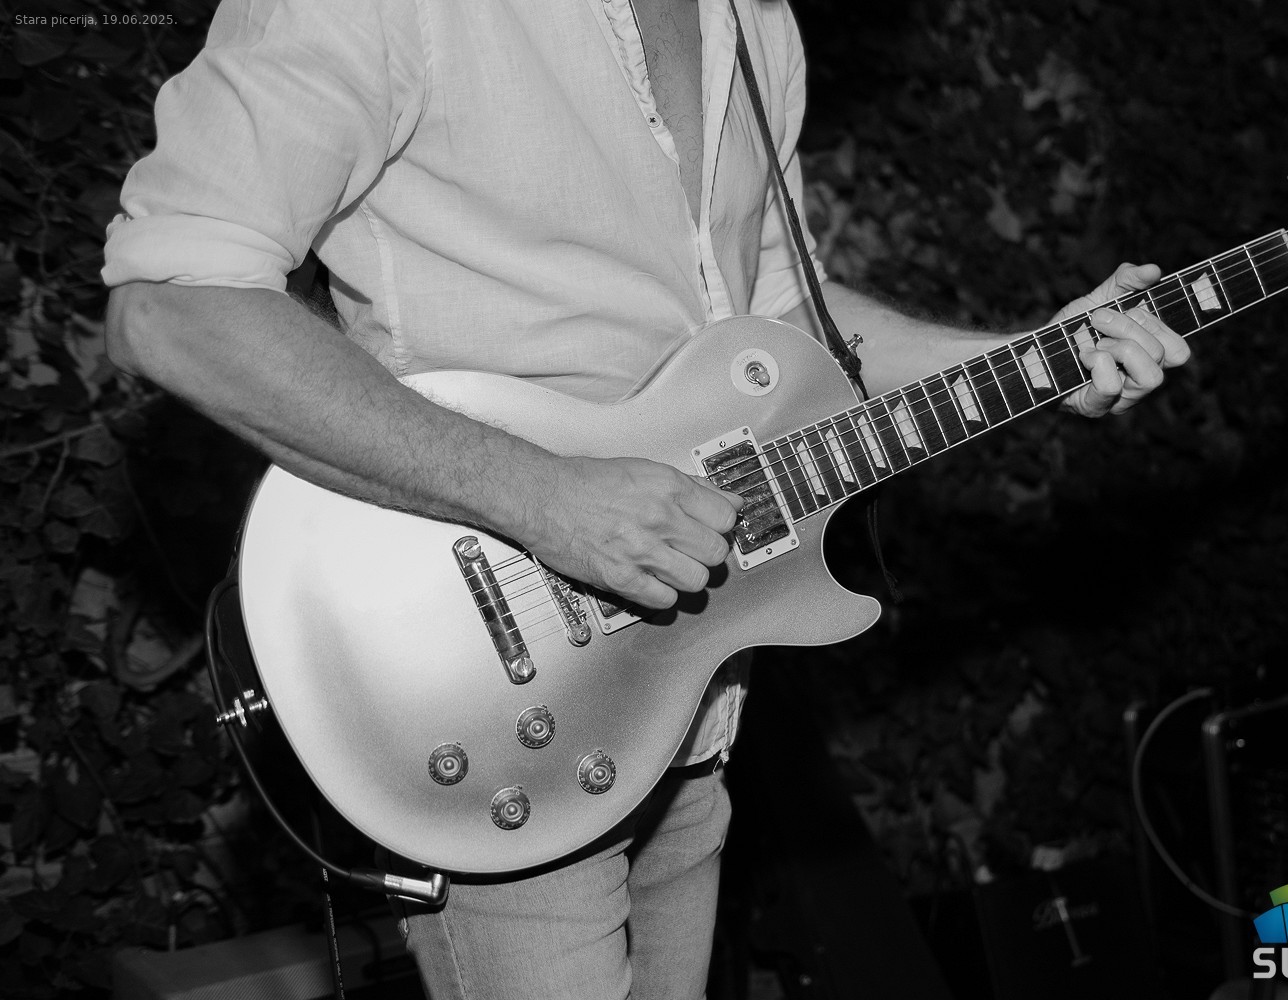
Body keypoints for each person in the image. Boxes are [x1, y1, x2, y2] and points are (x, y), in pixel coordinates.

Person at [100, 0, 1188, 996]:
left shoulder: (756, 26)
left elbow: (784, 323)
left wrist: (1034, 358)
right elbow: (173, 307)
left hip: (691, 699)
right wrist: (543, 498)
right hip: (489, 707)